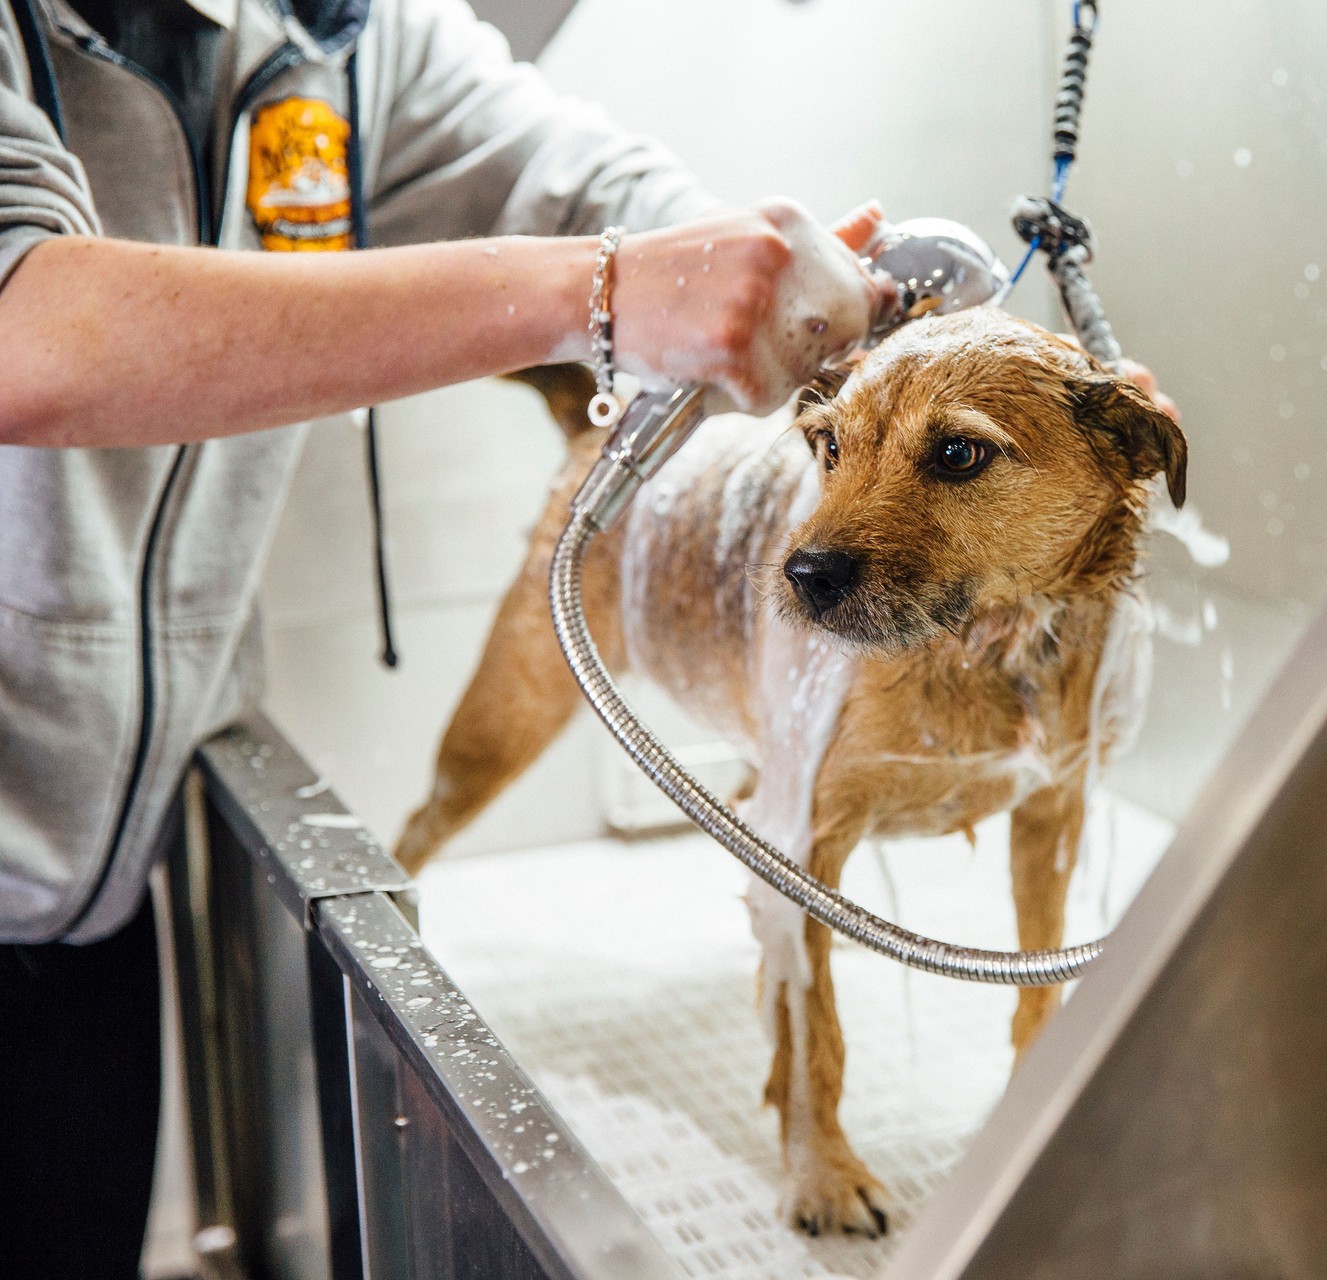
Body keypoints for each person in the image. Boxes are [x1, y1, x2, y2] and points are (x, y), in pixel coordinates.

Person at [0, 1, 1174, 1272]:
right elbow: (28, 335)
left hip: (89, 887)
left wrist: (775, 269)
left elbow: (592, 187)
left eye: (952, 457)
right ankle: (430, 863)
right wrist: (606, 296)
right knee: (476, 767)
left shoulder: (345, 32)